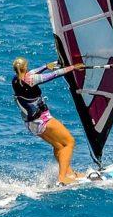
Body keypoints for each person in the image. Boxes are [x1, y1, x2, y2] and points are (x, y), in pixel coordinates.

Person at [12, 56, 85, 185]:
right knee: (69, 142)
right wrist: (73, 67)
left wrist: (46, 66)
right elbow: (54, 75)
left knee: (58, 145)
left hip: (31, 124)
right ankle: (62, 178)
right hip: (42, 119)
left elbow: (34, 72)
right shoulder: (31, 80)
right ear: (25, 67)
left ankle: (69, 173)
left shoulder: (15, 80)